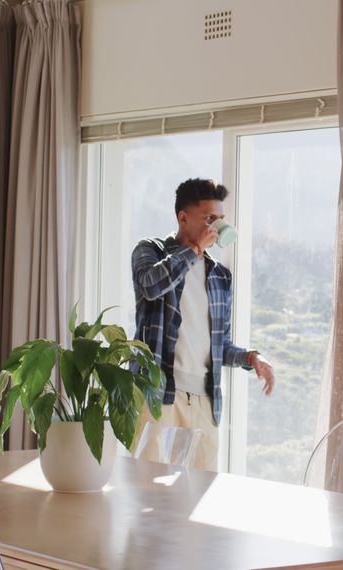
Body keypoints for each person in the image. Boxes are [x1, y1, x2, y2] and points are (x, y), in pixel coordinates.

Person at [131, 178, 275, 471]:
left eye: (220, 220)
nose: (216, 227)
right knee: (146, 489)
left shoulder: (220, 276)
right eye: (209, 219)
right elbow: (151, 286)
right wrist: (194, 249)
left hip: (204, 403)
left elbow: (219, 343)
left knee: (197, 494)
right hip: (157, 396)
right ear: (183, 218)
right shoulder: (151, 251)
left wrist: (251, 357)